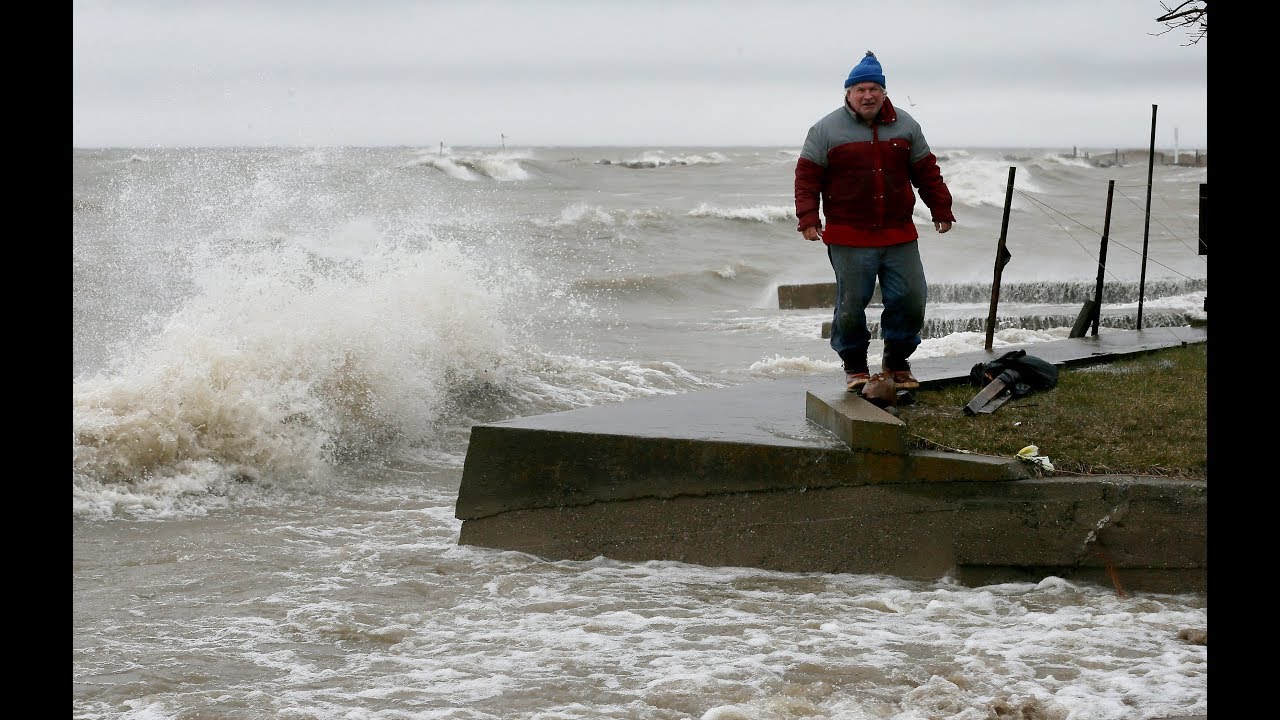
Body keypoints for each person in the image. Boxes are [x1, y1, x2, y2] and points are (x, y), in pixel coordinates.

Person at [794, 50, 955, 393]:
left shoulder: (907, 125)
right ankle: (855, 367)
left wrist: (941, 208)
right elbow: (807, 178)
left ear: (884, 92)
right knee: (851, 306)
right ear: (848, 94)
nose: (867, 95)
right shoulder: (825, 129)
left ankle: (896, 361)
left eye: (874, 89)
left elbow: (927, 172)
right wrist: (808, 218)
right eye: (860, 89)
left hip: (899, 234)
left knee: (911, 299)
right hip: (848, 235)